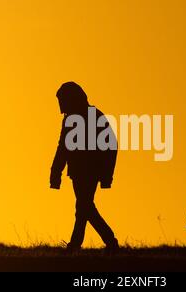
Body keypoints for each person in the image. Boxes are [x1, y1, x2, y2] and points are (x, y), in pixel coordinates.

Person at [50, 82, 119, 253]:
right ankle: (105, 242)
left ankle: (85, 243)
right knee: (85, 207)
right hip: (77, 172)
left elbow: (111, 146)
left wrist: (106, 175)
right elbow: (63, 147)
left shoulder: (95, 117)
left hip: (91, 172)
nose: (61, 106)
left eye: (63, 101)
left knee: (83, 207)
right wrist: (55, 172)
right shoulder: (70, 120)